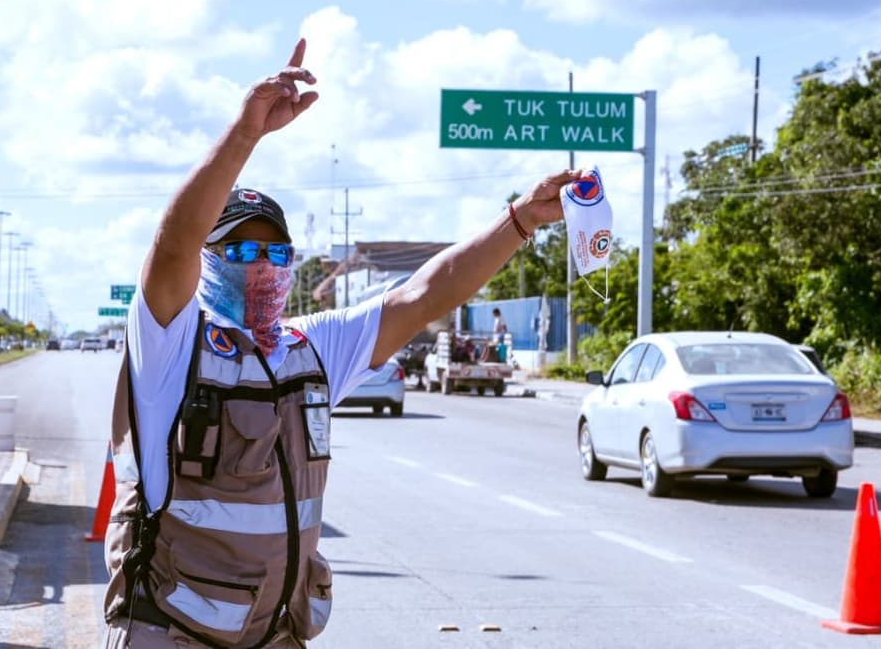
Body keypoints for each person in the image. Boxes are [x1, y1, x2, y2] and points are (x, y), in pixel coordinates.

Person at [102, 38, 582, 648]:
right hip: (173, 635)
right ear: (210, 260)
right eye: (243, 251)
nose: (263, 266)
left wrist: (520, 221)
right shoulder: (174, 344)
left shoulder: (307, 351)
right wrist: (245, 134)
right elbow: (171, 246)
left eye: (276, 252)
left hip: (275, 635)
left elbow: (423, 296)